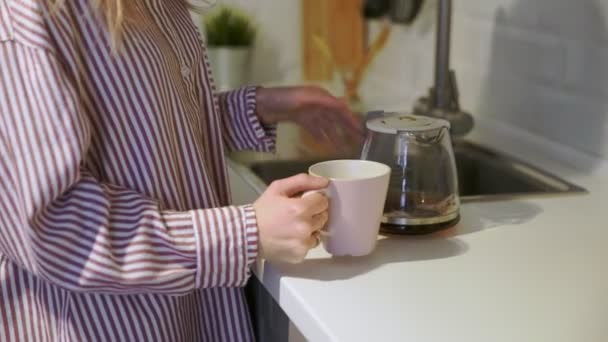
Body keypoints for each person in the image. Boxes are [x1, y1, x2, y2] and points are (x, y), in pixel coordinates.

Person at [0, 1, 362, 341]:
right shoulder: (27, 16)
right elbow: (52, 231)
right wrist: (247, 234)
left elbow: (144, 130)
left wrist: (263, 107)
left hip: (183, 314)